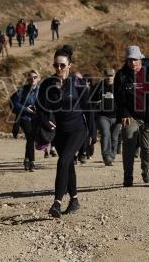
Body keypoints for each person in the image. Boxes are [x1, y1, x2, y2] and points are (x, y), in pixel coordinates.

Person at [38, 45, 95, 218]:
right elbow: (40, 108)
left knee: (62, 162)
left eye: (62, 65)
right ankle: (75, 200)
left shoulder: (78, 84)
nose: (59, 68)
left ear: (69, 65)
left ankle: (57, 203)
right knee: (68, 165)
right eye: (56, 65)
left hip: (77, 130)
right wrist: (45, 121)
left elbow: (89, 109)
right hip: (59, 132)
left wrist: (93, 134)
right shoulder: (47, 84)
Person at [115, 45, 149, 187]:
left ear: (140, 59)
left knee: (147, 148)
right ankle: (127, 177)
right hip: (131, 116)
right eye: (129, 60)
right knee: (128, 143)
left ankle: (145, 172)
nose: (132, 63)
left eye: (135, 60)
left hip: (148, 117)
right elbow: (118, 98)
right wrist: (123, 114)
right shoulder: (122, 75)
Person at [12, 70, 42, 171]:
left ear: (39, 78)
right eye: (30, 78)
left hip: (36, 117)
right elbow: (15, 103)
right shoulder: (22, 90)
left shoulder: (42, 90)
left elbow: (46, 104)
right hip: (24, 117)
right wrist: (25, 108)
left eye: (34, 77)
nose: (32, 79)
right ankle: (32, 162)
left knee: (30, 139)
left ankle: (26, 159)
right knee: (30, 137)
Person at [91, 68, 120, 166]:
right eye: (107, 75)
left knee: (114, 137)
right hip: (103, 116)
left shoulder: (118, 86)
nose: (109, 78)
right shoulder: (99, 86)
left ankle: (112, 155)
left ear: (114, 76)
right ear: (104, 76)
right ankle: (106, 156)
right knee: (105, 134)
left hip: (117, 116)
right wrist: (96, 102)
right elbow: (91, 99)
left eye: (111, 75)